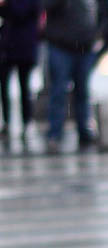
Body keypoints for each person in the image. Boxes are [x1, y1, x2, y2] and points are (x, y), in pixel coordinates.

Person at [42, 0, 108, 153]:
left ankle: (84, 130)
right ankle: (55, 133)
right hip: (60, 45)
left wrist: (100, 42)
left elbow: (106, 18)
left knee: (83, 91)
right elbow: (44, 6)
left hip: (85, 47)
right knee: (58, 90)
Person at [0, 0, 41, 145]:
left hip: (24, 46)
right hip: (6, 47)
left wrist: (6, 4)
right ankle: (6, 122)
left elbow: (22, 13)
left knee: (24, 87)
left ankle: (27, 122)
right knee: (3, 87)